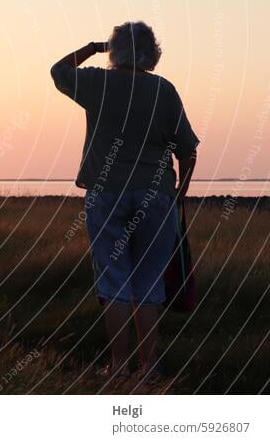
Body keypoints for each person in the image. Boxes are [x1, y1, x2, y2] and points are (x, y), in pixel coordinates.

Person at [50, 21, 199, 382]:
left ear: (114, 51)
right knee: (149, 284)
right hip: (156, 194)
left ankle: (117, 368)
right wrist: (181, 192)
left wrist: (92, 46)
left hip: (107, 194)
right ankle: (148, 369)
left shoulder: (97, 83)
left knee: (114, 282)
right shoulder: (164, 90)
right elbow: (188, 150)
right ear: (153, 54)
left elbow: (58, 71)